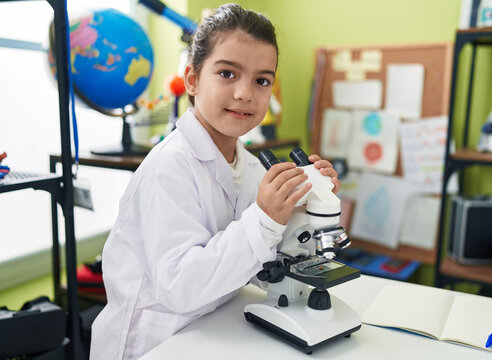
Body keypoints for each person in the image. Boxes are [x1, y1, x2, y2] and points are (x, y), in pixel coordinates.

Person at [90, 4, 340, 359]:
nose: (245, 93)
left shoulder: (251, 166)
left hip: (216, 327)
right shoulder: (169, 167)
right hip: (154, 343)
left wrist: (304, 210)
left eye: (262, 80)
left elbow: (258, 267)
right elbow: (180, 288)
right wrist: (266, 219)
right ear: (192, 80)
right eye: (227, 73)